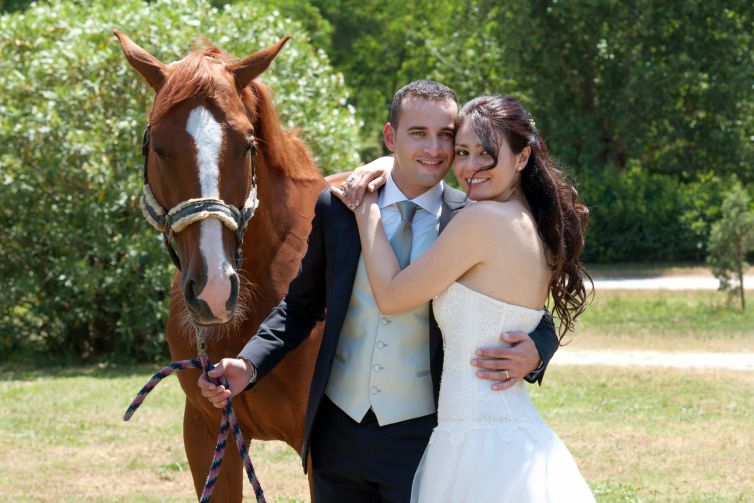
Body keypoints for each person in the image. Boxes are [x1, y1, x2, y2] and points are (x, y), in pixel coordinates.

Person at [197, 81, 560, 503]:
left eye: (446, 134)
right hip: (335, 435)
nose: (435, 148)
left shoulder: (471, 216)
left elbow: (517, 298)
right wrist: (248, 364)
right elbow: (301, 306)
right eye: (418, 133)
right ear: (391, 137)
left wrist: (538, 346)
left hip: (425, 437)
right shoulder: (339, 208)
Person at [331, 95, 594, 502]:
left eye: (485, 155)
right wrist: (385, 165)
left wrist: (367, 210)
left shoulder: (480, 220)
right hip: (501, 431)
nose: (469, 168)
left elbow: (394, 294)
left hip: (478, 443)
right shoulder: (534, 222)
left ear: (522, 158)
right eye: (462, 153)